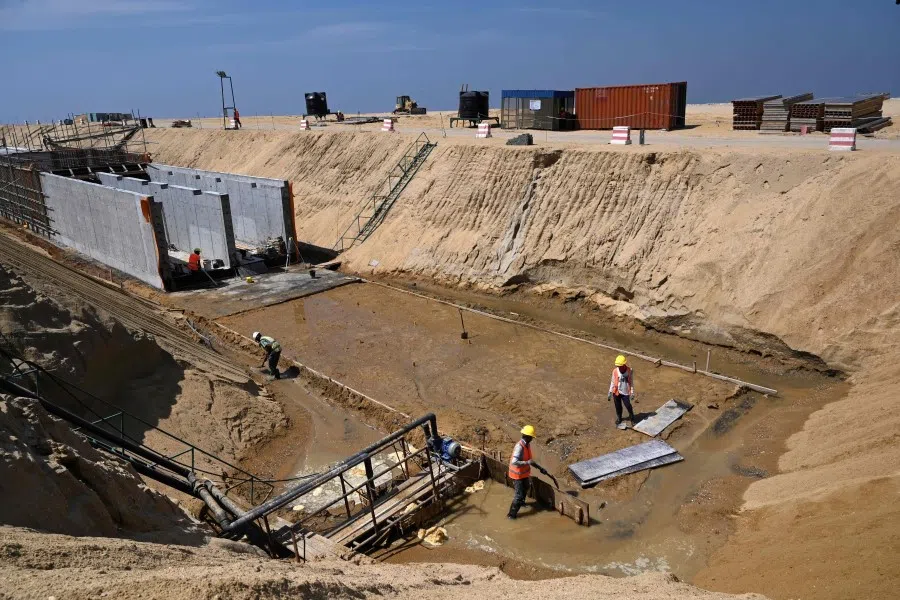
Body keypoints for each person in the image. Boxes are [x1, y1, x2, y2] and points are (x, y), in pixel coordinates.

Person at [507, 425, 544, 519]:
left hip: (523, 473)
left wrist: (540, 468)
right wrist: (526, 462)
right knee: (518, 496)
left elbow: (530, 460)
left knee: (526, 486)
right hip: (517, 475)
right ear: (527, 436)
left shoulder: (527, 445)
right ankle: (511, 515)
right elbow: (514, 462)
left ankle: (522, 503)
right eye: (531, 437)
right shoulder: (520, 447)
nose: (532, 439)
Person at [608, 355, 635, 428]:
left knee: (628, 405)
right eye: (618, 366)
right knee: (618, 406)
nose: (619, 367)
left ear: (624, 364)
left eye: (620, 366)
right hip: (616, 392)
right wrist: (610, 392)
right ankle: (619, 418)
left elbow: (631, 382)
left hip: (625, 392)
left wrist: (632, 392)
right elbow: (612, 382)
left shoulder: (630, 370)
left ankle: (632, 417)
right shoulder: (615, 371)